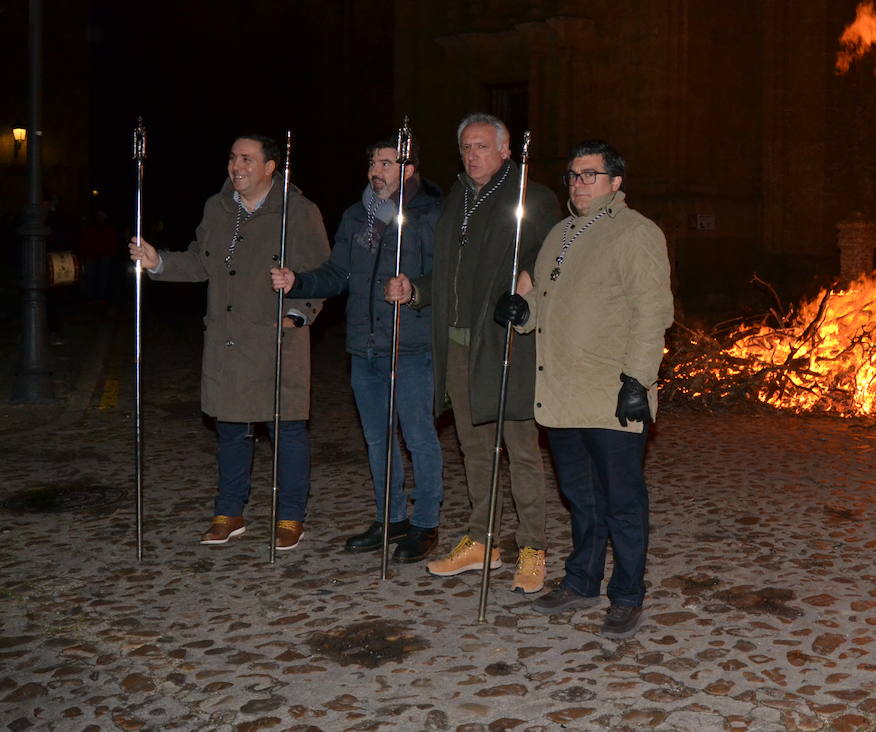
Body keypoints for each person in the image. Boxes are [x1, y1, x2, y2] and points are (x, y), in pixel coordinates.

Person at [495, 139, 673, 641]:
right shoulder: (559, 233)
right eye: (573, 175)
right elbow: (546, 306)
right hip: (563, 391)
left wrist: (637, 380)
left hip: (612, 391)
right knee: (580, 497)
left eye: (589, 175)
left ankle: (627, 594)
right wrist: (521, 313)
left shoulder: (636, 233)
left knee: (622, 501)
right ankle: (581, 580)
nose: (578, 183)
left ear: (616, 182)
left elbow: (652, 313)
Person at [385, 114, 559, 592]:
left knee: (520, 449)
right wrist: (416, 291)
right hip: (458, 343)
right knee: (474, 448)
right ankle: (483, 541)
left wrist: (528, 283)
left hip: (506, 343)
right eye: (465, 147)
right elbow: (450, 273)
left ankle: (532, 548)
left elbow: (554, 257)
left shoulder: (532, 197)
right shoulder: (458, 198)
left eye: (481, 146)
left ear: (505, 151)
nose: (472, 154)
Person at [129, 135, 330, 550]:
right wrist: (158, 261)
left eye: (246, 158)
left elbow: (322, 272)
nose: (236, 166)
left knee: (286, 430)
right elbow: (201, 262)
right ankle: (229, 511)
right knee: (231, 429)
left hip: (276, 338)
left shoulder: (298, 211)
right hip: (228, 338)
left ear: (271, 166)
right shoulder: (217, 208)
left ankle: (291, 514)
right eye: (232, 158)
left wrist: (297, 314)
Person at [269, 139, 444, 562]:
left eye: (386, 162)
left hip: (410, 344)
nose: (375, 171)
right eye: (372, 162)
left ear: (409, 168)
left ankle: (425, 524)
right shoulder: (357, 216)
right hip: (364, 346)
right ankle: (391, 517)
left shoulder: (431, 213)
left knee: (418, 436)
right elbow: (338, 273)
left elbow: (448, 277)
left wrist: (415, 289)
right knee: (377, 437)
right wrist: (299, 282)